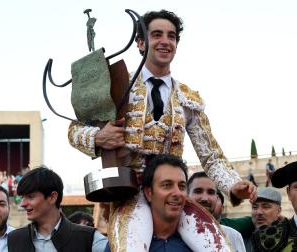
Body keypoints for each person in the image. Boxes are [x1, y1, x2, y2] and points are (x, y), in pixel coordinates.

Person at [68, 9, 256, 251]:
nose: (165, 41)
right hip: (130, 193)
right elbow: (74, 130)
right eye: (157, 34)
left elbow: (210, 154)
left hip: (172, 194)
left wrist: (232, 184)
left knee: (219, 247)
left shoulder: (187, 98)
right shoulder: (116, 84)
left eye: (172, 36)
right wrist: (98, 137)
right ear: (141, 42)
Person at [7, 166, 107, 252]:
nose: (23, 204)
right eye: (22, 197)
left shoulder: (88, 238)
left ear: (52, 197)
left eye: (30, 197)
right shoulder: (14, 239)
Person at [188, 171, 246, 252]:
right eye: (198, 191)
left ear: (216, 197)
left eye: (210, 192)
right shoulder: (173, 235)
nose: (205, 198)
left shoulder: (233, 236)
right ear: (187, 196)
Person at [244, 187, 282, 252]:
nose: (259, 212)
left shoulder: (290, 239)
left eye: (265, 207)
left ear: (278, 211)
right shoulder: (242, 241)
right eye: (255, 207)